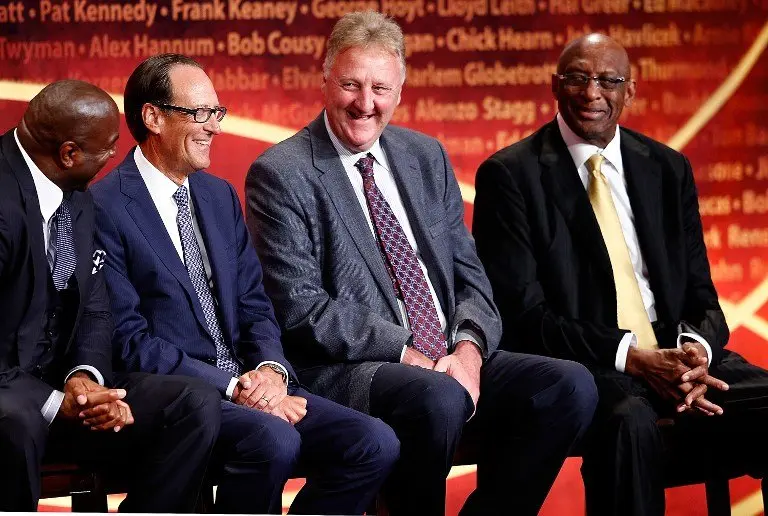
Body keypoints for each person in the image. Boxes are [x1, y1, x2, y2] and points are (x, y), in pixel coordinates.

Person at [246, 11, 597, 516]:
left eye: (380, 89)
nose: (365, 104)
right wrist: (415, 357)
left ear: (401, 90)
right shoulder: (282, 173)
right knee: (437, 398)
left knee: (569, 386)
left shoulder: (424, 155)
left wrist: (469, 353)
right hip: (355, 369)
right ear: (324, 79)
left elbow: (470, 275)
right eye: (350, 84)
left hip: (449, 359)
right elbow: (303, 310)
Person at [90, 53, 399, 515]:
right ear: (152, 117)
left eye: (217, 113)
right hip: (176, 397)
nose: (214, 127)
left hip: (249, 384)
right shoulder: (105, 207)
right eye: (199, 114)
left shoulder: (218, 197)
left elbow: (255, 305)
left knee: (373, 442)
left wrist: (272, 373)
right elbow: (131, 342)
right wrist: (234, 386)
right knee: (271, 437)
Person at [473, 32, 768, 515]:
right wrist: (632, 357)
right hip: (594, 364)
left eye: (608, 81)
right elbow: (524, 316)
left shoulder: (668, 169)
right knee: (628, 423)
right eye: (578, 78)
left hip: (678, 357)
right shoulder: (511, 176)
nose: (592, 93)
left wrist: (696, 355)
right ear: (554, 86)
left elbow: (702, 295)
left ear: (629, 91)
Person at [0, 79, 221, 512]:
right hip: (11, 395)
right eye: (108, 148)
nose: (114, 159)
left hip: (64, 386)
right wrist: (52, 403)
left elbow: (94, 307)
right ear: (69, 153)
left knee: (193, 402)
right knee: (16, 423)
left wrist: (84, 380)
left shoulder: (74, 191)